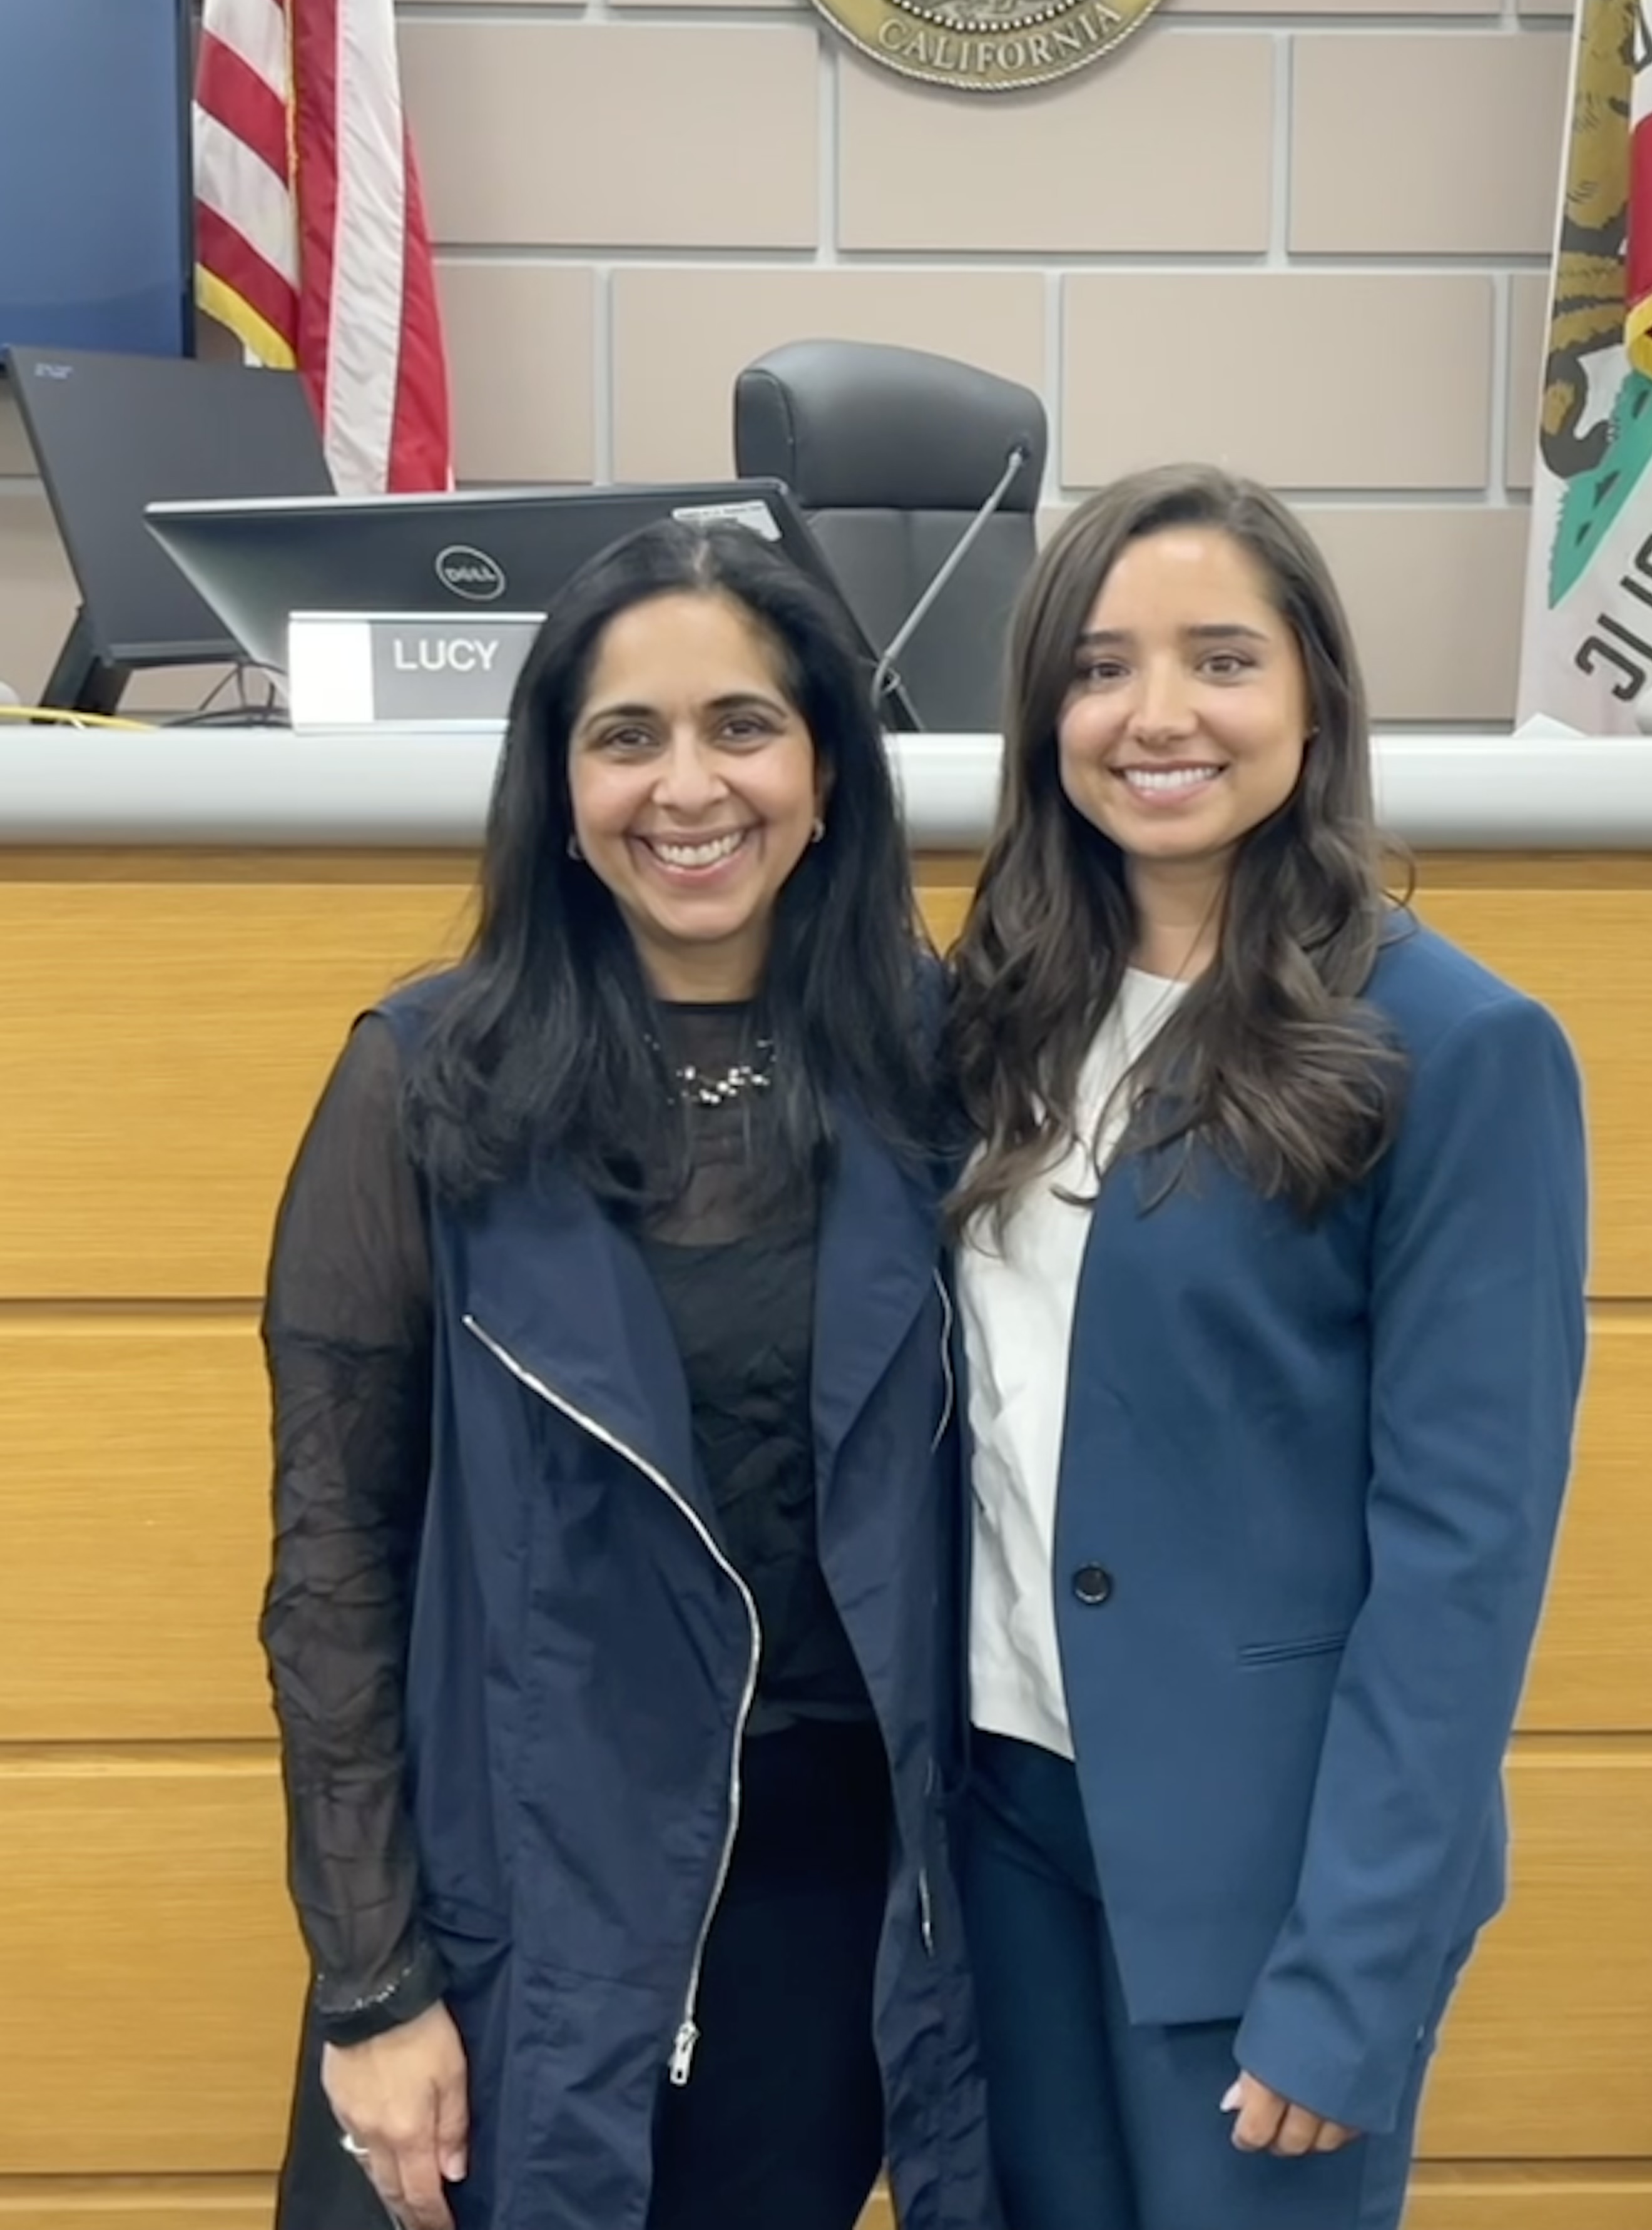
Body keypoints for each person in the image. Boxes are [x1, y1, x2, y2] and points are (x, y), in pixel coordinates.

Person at [260, 520, 990, 2230]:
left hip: (821, 1922)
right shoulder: (424, 1084)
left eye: (743, 726)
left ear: (826, 774)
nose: (689, 787)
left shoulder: (942, 1071)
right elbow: (334, 1569)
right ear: (558, 788)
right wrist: (372, 1987)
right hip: (515, 1897)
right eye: (626, 735)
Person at [944, 466, 1587, 2230]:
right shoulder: (992, 1016)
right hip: (1009, 1840)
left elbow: (1468, 1559)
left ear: (1314, 695)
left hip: (1273, 1888)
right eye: (1099, 668)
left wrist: (1352, 1975)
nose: (1156, 716)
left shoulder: (1455, 1049)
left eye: (1220, 661)